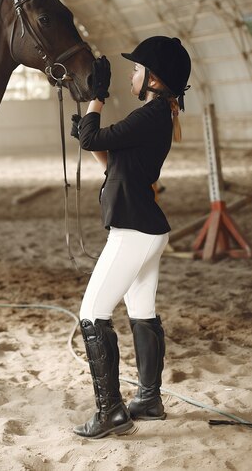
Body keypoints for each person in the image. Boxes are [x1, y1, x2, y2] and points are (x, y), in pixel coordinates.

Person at [70, 35, 191, 439]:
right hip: (147, 230)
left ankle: (110, 413)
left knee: (91, 314)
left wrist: (96, 99)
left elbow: (92, 137)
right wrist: (87, 129)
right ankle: (149, 399)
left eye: (137, 70)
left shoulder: (150, 115)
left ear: (154, 78)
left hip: (133, 231)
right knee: (141, 312)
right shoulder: (156, 117)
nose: (132, 75)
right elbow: (109, 161)